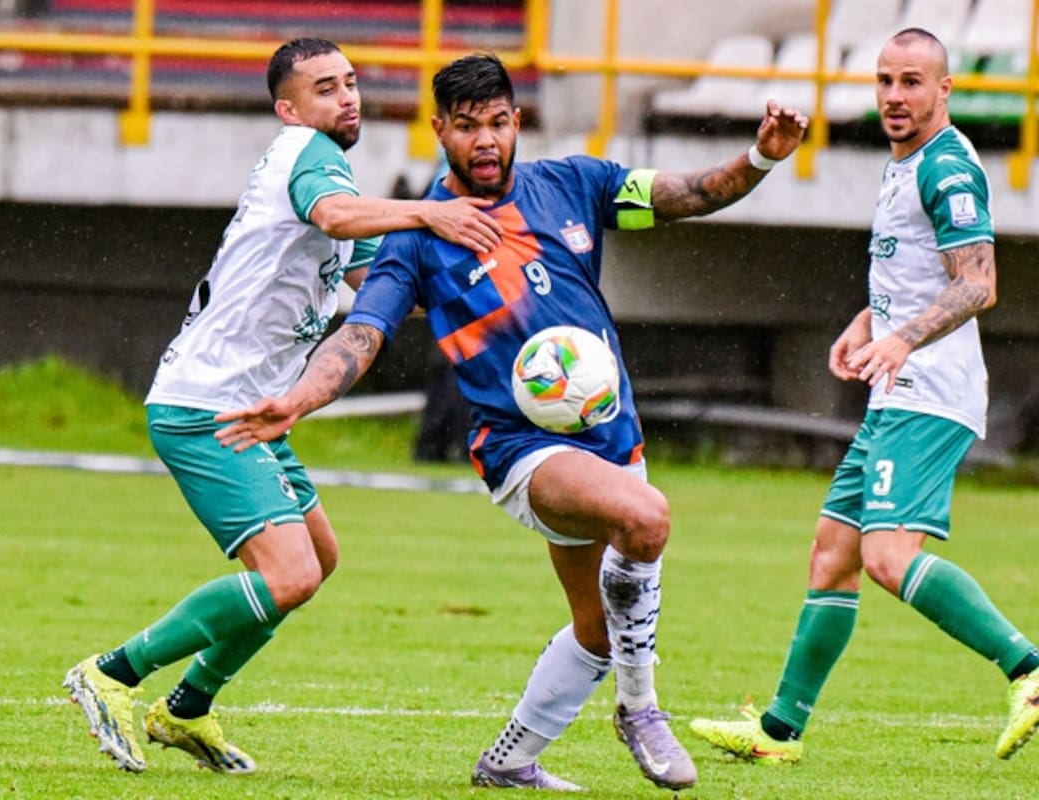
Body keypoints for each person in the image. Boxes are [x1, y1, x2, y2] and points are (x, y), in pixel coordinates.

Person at [215, 52, 808, 791]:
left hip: (610, 439)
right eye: (467, 127)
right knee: (646, 520)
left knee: (597, 631)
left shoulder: (574, 186)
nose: (486, 141)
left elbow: (687, 194)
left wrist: (759, 158)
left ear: (517, 121)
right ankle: (640, 710)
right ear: (440, 130)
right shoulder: (418, 237)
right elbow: (363, 332)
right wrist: (298, 398)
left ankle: (509, 761)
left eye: (498, 122)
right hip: (523, 451)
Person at [62, 37, 502, 775]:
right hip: (207, 406)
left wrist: (488, 292)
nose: (348, 98)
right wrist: (434, 214)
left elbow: (382, 286)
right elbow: (334, 217)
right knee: (289, 575)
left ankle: (187, 710)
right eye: (327, 87)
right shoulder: (311, 155)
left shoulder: (324, 168)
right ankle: (111, 674)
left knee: (317, 560)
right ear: (289, 108)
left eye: (353, 83)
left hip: (246, 406)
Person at [689, 28, 1039, 765]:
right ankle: (779, 733)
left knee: (886, 556)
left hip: (928, 391)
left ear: (945, 90)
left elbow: (978, 282)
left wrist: (903, 340)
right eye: (884, 81)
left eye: (912, 82)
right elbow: (911, 270)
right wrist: (866, 323)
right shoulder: (902, 162)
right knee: (833, 555)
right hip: (897, 387)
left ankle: (1029, 670)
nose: (893, 96)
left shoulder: (945, 167)